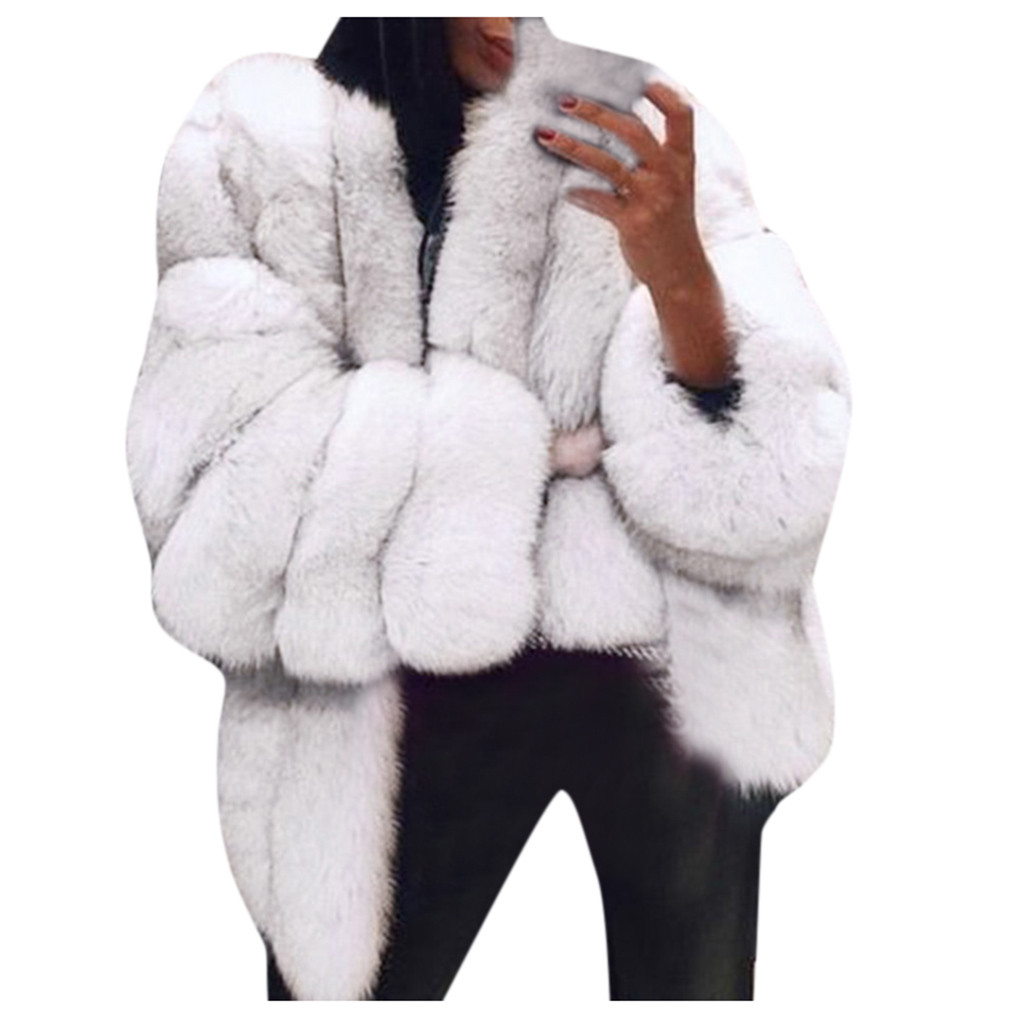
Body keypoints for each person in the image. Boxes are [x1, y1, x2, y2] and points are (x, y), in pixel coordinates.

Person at [125, 16, 852, 1001]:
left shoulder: (626, 115)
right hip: (386, 682)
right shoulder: (259, 133)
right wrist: (525, 451)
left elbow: (779, 475)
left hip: (651, 663)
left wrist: (679, 272)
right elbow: (216, 485)